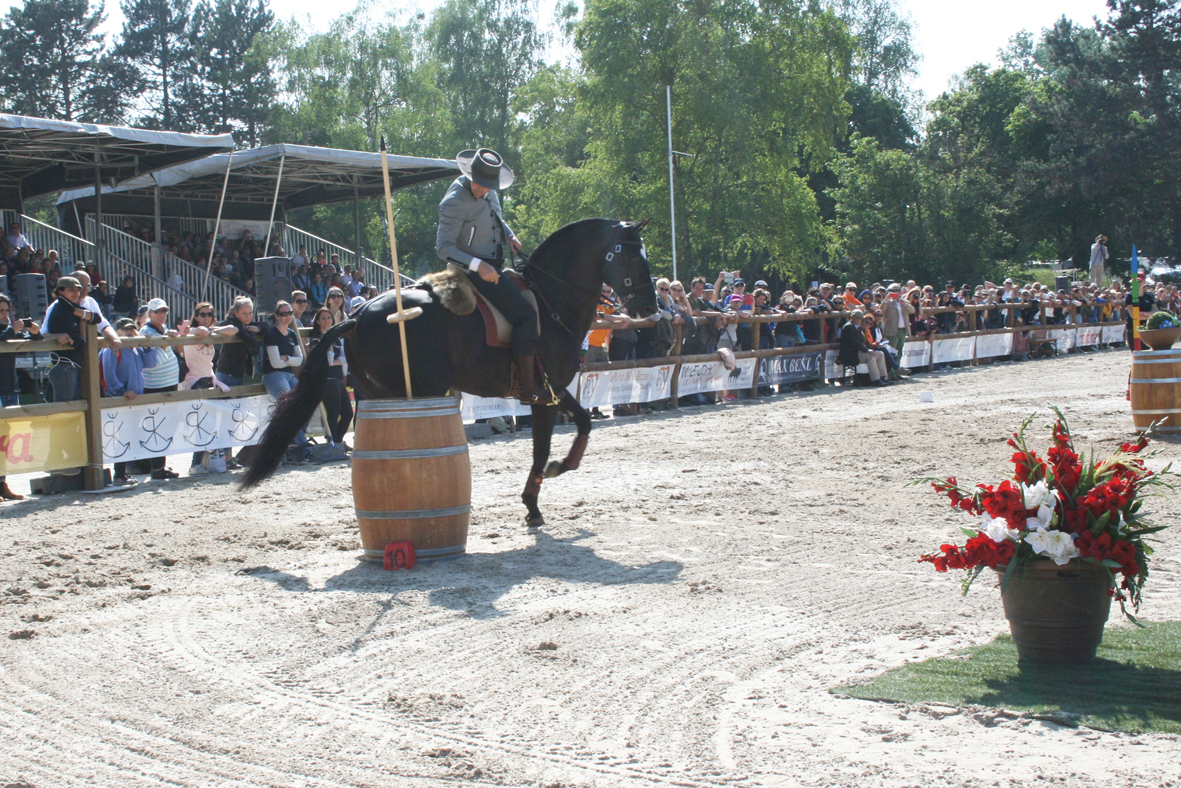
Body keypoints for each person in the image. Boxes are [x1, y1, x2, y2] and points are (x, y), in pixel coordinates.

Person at [436, 147, 545, 405]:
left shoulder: (489, 189)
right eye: (478, 184)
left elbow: (494, 216)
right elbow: (444, 248)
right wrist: (478, 266)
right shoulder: (454, 201)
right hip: (470, 269)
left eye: (487, 186)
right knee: (526, 315)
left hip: (493, 262)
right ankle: (528, 389)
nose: (482, 189)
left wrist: (509, 234)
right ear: (468, 173)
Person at [100, 318, 158, 485]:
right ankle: (118, 474)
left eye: (132, 329)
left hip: (134, 400)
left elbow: (151, 363)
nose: (130, 332)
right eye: (125, 330)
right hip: (120, 400)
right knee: (121, 437)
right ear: (117, 332)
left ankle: (122, 473)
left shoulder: (134, 349)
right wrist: (122, 391)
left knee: (128, 436)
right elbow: (109, 375)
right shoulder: (112, 349)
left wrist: (147, 347)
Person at [180, 302, 235, 475]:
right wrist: (209, 329)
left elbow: (233, 329)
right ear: (196, 316)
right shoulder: (191, 331)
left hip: (209, 379)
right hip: (195, 381)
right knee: (204, 424)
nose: (206, 318)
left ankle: (203, 462)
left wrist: (214, 329)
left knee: (213, 423)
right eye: (202, 315)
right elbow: (201, 331)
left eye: (209, 314)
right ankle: (195, 464)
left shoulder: (210, 331)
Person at [0, 294, 42, 499]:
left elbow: (32, 341)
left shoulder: (7, 330)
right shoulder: (7, 331)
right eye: (1, 311)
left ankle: (2, 484)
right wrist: (11, 330)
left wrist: (34, 333)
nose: (5, 315)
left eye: (7, 311)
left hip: (9, 388)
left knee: (5, 440)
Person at [262, 300, 313, 463]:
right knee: (289, 409)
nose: (287, 316)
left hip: (289, 375)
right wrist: (290, 359)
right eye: (283, 313)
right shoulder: (271, 334)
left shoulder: (291, 334)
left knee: (307, 402)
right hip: (273, 375)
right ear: (277, 316)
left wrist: (286, 358)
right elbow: (275, 363)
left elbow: (300, 360)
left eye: (290, 313)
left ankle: (295, 442)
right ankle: (302, 445)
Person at [139, 298, 182, 479]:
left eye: (164, 310)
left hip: (169, 382)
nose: (162, 314)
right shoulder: (146, 331)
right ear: (149, 314)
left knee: (167, 424)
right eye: (158, 311)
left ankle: (159, 466)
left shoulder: (162, 330)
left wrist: (167, 340)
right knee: (157, 426)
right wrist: (165, 342)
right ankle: (156, 467)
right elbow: (153, 361)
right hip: (155, 385)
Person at [309, 307, 353, 447]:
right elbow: (326, 361)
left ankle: (337, 441)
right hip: (327, 380)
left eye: (329, 318)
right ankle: (332, 443)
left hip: (338, 377)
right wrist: (329, 349)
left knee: (347, 414)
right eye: (323, 318)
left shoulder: (336, 338)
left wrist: (334, 362)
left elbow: (345, 357)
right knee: (333, 414)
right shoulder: (316, 340)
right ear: (317, 321)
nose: (327, 321)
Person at [837, 309, 888, 386]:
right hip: (851, 354)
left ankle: (883, 377)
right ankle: (875, 380)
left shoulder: (860, 327)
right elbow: (855, 342)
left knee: (880, 354)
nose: (858, 319)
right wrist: (867, 350)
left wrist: (870, 348)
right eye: (857, 317)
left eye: (860, 318)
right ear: (852, 317)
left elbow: (864, 341)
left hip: (860, 352)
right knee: (870, 356)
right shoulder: (848, 327)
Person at [880, 282, 913, 356]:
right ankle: (890, 368)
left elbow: (912, 310)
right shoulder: (887, 302)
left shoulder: (904, 302)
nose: (895, 292)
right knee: (891, 352)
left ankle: (896, 367)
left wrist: (905, 304)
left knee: (900, 352)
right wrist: (885, 300)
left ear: (900, 292)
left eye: (897, 290)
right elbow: (881, 311)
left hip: (903, 331)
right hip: (892, 331)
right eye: (892, 291)